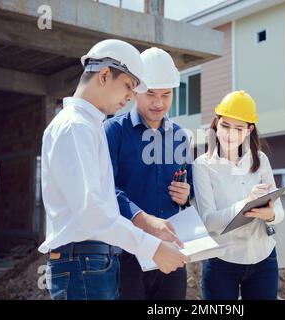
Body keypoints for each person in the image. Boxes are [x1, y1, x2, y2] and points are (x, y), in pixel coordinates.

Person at [39, 39, 188, 300]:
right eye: (129, 86)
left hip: (92, 259)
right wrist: (152, 246)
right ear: (105, 75)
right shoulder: (77, 127)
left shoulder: (88, 126)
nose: (131, 96)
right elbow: (92, 212)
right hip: (84, 260)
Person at [104, 47, 193, 300]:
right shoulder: (113, 132)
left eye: (166, 95)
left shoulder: (180, 137)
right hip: (127, 254)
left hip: (171, 251)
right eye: (151, 94)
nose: (158, 103)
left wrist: (186, 194)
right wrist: (142, 219)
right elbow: (106, 189)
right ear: (134, 92)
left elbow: (191, 189)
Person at [192, 90, 285, 300]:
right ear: (216, 123)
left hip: (264, 259)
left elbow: (279, 213)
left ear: (249, 130)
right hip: (222, 262)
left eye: (238, 128)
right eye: (225, 125)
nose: (230, 134)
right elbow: (208, 221)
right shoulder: (203, 165)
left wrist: (269, 214)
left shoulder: (261, 161)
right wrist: (246, 203)